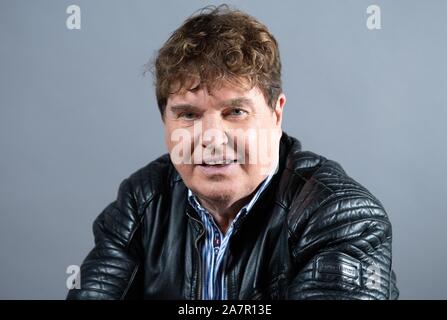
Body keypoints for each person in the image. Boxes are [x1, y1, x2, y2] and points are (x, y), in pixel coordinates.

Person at [67, 5, 398, 300]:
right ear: (165, 121)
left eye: (235, 112)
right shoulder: (143, 201)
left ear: (276, 114)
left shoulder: (342, 216)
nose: (211, 138)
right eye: (188, 114)